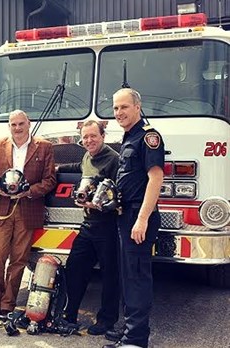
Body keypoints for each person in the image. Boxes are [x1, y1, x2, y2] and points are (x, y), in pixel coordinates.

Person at [0, 109, 56, 318]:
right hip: (3, 208)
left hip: (28, 207)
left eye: (21, 123)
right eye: (13, 124)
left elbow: (50, 180)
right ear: (9, 126)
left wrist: (29, 191)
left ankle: (8, 303)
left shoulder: (44, 147)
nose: (17, 128)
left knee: (19, 259)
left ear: (28, 124)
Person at [103, 88, 164, 348]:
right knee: (128, 277)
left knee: (137, 278)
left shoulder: (148, 137)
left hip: (138, 216)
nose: (119, 113)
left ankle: (136, 340)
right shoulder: (129, 137)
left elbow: (156, 178)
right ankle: (129, 329)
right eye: (116, 108)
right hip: (124, 215)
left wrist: (142, 219)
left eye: (124, 107)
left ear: (137, 107)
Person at [57, 120, 120, 335]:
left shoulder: (114, 159)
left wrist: (98, 204)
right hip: (88, 224)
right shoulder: (87, 156)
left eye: (93, 136)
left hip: (108, 226)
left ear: (103, 136)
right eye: (85, 137)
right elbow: (80, 167)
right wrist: (57, 168)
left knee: (110, 274)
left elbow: (120, 194)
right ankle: (69, 314)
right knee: (74, 268)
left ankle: (106, 321)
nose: (88, 140)